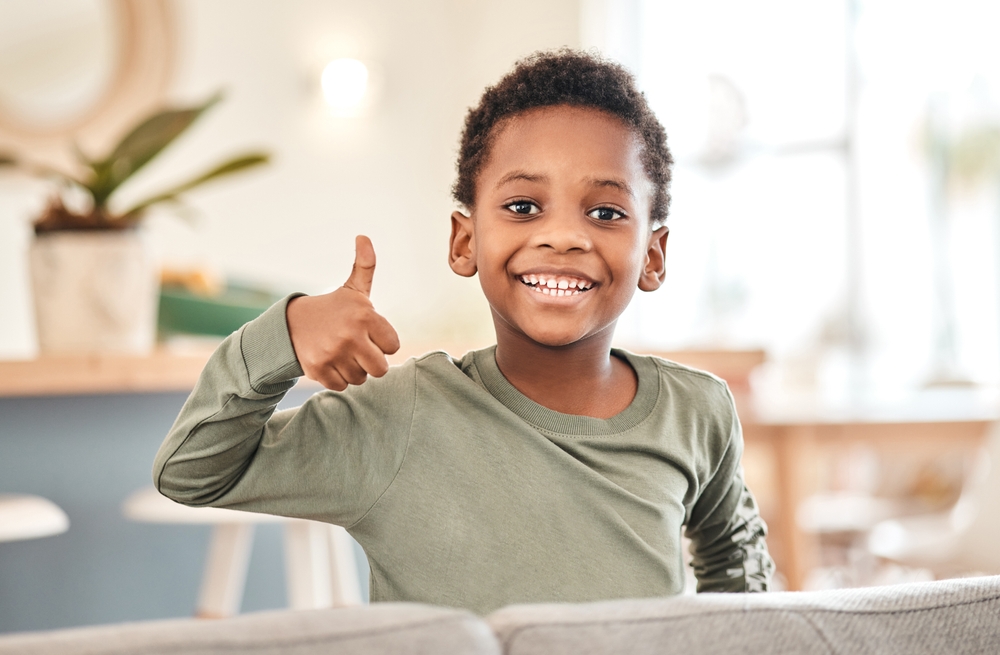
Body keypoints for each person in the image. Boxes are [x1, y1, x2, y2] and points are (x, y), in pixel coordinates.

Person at [154, 49, 773, 615]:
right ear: (464, 240)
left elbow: (734, 555)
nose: (562, 236)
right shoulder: (401, 419)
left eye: (606, 212)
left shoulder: (698, 411)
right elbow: (194, 470)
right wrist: (282, 336)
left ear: (653, 256)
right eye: (523, 206)